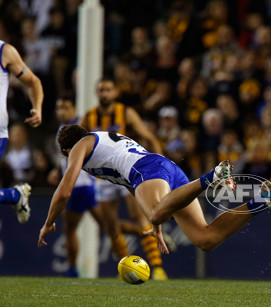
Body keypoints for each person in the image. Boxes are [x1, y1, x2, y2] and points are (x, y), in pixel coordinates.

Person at [38, 125, 271, 257]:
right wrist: (159, 222)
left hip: (148, 169)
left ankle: (212, 176)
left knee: (155, 214)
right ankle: (262, 199)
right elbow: (131, 186)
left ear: (65, 152)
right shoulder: (99, 143)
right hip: (161, 170)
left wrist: (48, 222)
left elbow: (63, 192)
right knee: (205, 239)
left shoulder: (79, 147)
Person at [78, 76, 168, 279]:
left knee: (141, 216)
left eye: (108, 89)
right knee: (111, 226)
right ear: (96, 93)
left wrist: (161, 163)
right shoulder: (89, 117)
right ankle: (127, 268)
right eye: (101, 90)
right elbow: (77, 145)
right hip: (103, 178)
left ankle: (158, 267)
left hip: (126, 172)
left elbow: (149, 136)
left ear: (115, 92)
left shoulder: (125, 112)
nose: (104, 94)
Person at [48, 95, 98, 277]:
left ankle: (72, 270)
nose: (61, 111)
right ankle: (142, 233)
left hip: (79, 185)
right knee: (109, 226)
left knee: (69, 230)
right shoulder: (64, 129)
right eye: (58, 108)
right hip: (87, 185)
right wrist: (57, 169)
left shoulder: (79, 128)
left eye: (65, 107)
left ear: (74, 109)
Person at [0, 39, 43, 223]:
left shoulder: (4, 51)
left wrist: (38, 108)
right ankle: (13, 195)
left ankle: (14, 195)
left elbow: (33, 82)